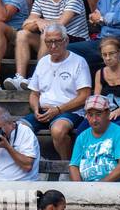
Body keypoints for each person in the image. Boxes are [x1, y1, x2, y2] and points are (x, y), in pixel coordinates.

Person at [9, 0, 88, 89]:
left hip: (74, 39)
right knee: (23, 34)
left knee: (48, 32)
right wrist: (38, 21)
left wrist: (41, 22)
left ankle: (38, 77)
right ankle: (20, 78)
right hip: (51, 39)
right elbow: (26, 25)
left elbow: (61, 23)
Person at [23, 25, 91, 160]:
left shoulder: (78, 62)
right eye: (49, 42)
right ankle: (35, 163)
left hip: (70, 111)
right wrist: (35, 109)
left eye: (57, 41)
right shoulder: (42, 62)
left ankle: (66, 166)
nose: (53, 46)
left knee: (58, 130)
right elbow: (34, 93)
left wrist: (58, 109)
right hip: (42, 111)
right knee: (20, 129)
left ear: (66, 41)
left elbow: (84, 96)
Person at [69, 94, 120, 183]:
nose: (94, 119)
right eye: (90, 115)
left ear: (108, 113)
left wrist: (99, 186)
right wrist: (80, 187)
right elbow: (74, 166)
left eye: (98, 114)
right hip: (86, 188)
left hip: (113, 187)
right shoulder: (82, 137)